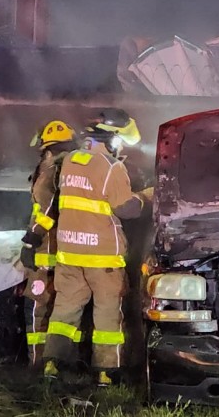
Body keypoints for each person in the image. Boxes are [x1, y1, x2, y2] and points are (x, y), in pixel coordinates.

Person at [43, 108, 153, 386]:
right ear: (113, 138)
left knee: (64, 310)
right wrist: (147, 197)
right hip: (102, 257)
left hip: (69, 253)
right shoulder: (111, 167)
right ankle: (106, 371)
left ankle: (53, 365)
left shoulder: (69, 161)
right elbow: (126, 209)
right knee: (107, 313)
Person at [20, 119, 79, 367]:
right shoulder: (75, 171)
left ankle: (38, 362)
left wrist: (30, 242)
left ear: (47, 149)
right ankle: (63, 363)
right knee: (65, 312)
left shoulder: (50, 172)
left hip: (45, 253)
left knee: (36, 309)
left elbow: (44, 212)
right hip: (70, 254)